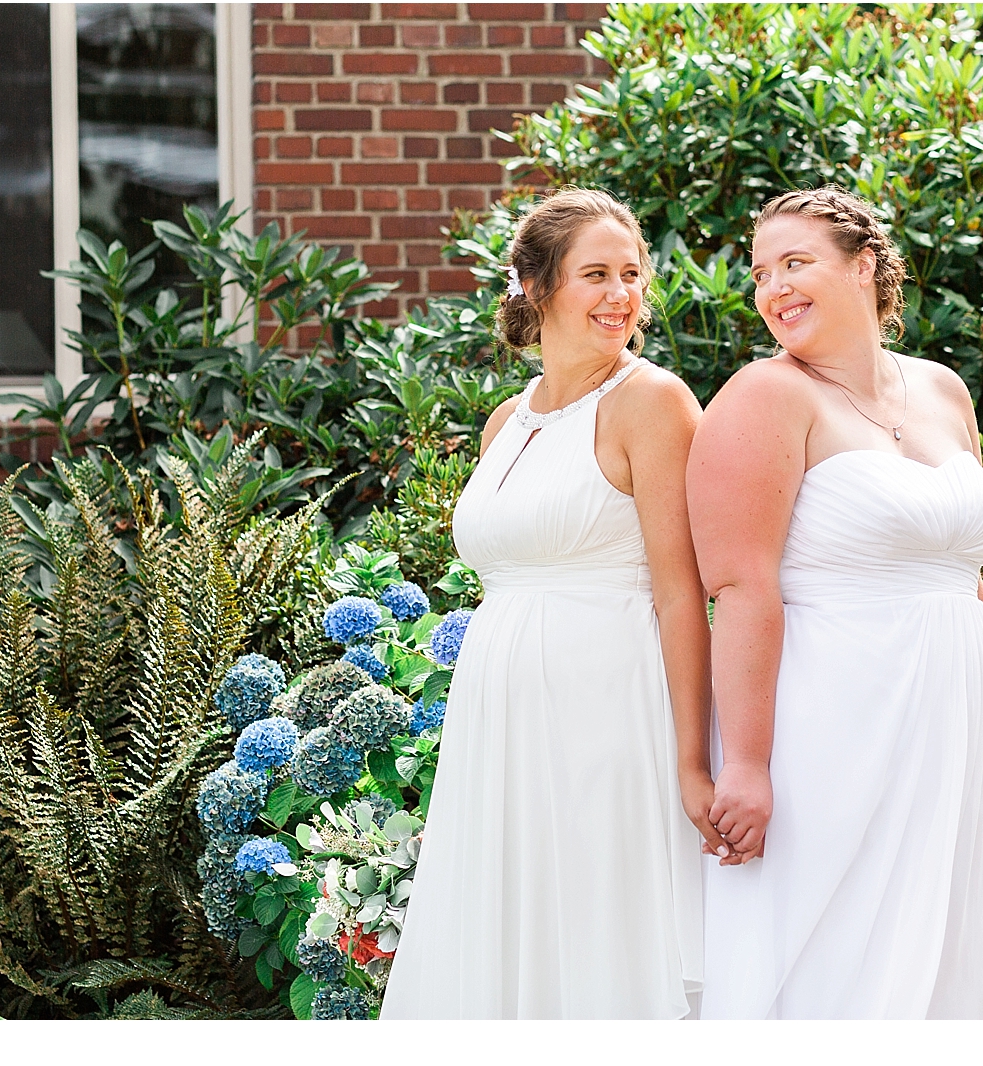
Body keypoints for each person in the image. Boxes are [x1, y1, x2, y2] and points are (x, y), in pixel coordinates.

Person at [381, 187, 722, 1020]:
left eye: (632, 276)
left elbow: (684, 592)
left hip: (611, 712)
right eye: (596, 274)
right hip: (500, 726)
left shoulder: (652, 401)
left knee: (601, 922)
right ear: (536, 288)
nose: (620, 296)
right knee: (509, 927)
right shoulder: (507, 421)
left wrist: (691, 760)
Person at [688, 186, 983, 1019]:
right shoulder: (765, 396)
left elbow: (965, 576)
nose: (773, 289)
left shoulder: (944, 391)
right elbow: (738, 585)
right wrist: (748, 765)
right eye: (761, 274)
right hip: (825, 726)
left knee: (932, 947)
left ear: (865, 265)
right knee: (823, 953)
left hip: (948, 726)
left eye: (797, 263)